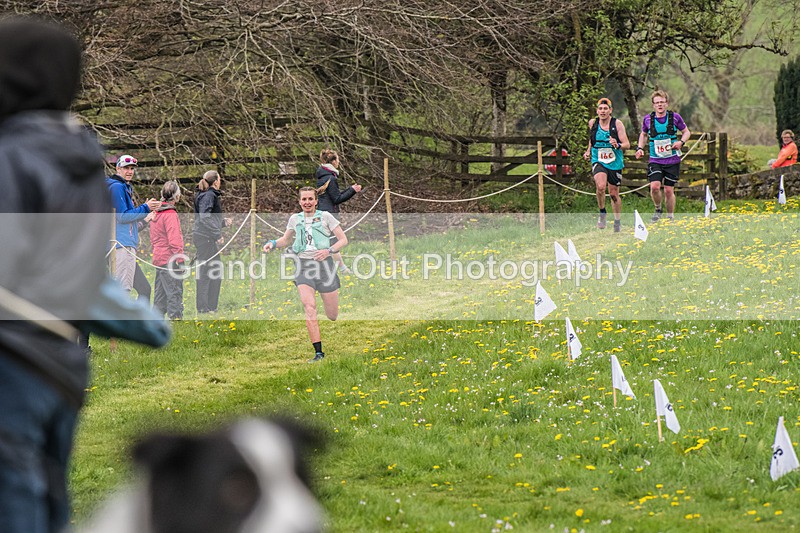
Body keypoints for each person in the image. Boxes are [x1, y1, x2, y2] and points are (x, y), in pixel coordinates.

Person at [0, 17, 147, 533]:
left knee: (13, 498)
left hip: (12, 357)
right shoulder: (81, 158)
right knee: (48, 494)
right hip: (62, 360)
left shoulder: (12, 156)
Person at [263, 187, 348, 363]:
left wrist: (329, 250)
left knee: (332, 315)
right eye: (304, 199)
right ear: (300, 201)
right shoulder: (295, 219)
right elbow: (285, 240)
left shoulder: (326, 217)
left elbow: (343, 240)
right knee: (309, 307)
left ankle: (328, 312)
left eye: (310, 199)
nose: (307, 202)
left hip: (325, 266)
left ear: (316, 201)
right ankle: (318, 353)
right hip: (303, 266)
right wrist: (272, 243)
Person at [106, 154, 160, 297]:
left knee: (144, 289)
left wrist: (146, 217)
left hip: (124, 243)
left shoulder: (123, 187)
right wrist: (145, 207)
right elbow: (123, 217)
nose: (130, 171)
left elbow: (128, 222)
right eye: (126, 168)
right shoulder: (117, 187)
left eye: (132, 168)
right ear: (118, 168)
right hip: (121, 246)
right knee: (123, 291)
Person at [634, 90, 691, 222]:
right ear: (653, 105)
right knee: (654, 187)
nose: (660, 105)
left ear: (667, 103)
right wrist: (640, 148)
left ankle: (670, 217)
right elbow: (643, 134)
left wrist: (681, 142)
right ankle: (658, 208)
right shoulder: (648, 119)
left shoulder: (675, 117)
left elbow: (686, 132)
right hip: (655, 159)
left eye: (662, 102)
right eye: (657, 103)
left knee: (668, 190)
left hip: (672, 159)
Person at [583, 97, 630, 232]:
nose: (603, 111)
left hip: (614, 162)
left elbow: (627, 144)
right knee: (601, 186)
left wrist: (617, 144)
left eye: (605, 108)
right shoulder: (593, 123)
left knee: (614, 194)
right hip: (599, 159)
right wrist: (588, 151)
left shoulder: (618, 124)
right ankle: (602, 213)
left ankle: (617, 221)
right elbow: (592, 140)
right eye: (600, 108)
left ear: (610, 110)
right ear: (597, 111)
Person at [315, 149, 361, 273]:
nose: (339, 162)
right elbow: (337, 199)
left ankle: (341, 268)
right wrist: (353, 191)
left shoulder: (323, 176)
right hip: (330, 214)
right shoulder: (331, 178)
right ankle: (341, 268)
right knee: (335, 242)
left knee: (330, 243)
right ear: (333, 162)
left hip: (321, 212)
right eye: (338, 160)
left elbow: (334, 194)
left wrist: (350, 188)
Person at [193, 170, 231, 314]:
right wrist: (217, 234)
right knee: (206, 274)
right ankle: (204, 309)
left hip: (206, 237)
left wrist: (222, 223)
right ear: (215, 181)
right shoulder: (208, 195)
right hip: (205, 238)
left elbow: (207, 219)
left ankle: (211, 307)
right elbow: (204, 218)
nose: (220, 181)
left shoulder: (207, 194)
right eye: (219, 179)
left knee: (214, 272)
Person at [150, 181, 185, 320]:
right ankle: (176, 322)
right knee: (174, 292)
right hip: (169, 260)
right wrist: (180, 260)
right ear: (177, 196)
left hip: (159, 258)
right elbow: (174, 240)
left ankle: (154, 324)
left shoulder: (157, 213)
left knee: (160, 296)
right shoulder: (170, 214)